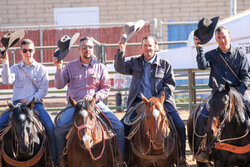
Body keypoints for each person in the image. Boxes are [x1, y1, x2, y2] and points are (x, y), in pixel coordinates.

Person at [114, 35, 187, 164]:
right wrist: (121, 50)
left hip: (161, 102)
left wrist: (160, 98)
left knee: (180, 126)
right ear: (142, 47)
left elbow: (170, 84)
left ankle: (181, 157)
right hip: (139, 103)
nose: (148, 48)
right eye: (145, 46)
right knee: (123, 127)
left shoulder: (165, 65)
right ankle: (125, 160)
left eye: (150, 45)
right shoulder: (135, 62)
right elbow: (120, 68)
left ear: (155, 46)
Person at [53, 36, 125, 166]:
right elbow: (59, 85)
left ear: (93, 49)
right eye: (84, 47)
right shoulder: (70, 66)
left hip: (95, 104)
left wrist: (94, 98)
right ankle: (60, 160)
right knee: (59, 128)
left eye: (90, 47)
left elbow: (106, 88)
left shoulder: (100, 67)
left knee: (119, 127)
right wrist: (58, 68)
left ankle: (119, 159)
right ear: (79, 49)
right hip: (75, 106)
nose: (87, 49)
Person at [193, 26, 250, 162]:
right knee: (202, 116)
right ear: (216, 40)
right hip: (218, 95)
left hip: (237, 93)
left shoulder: (240, 55)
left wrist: (240, 96)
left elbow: (246, 76)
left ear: (229, 37)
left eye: (224, 37)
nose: (222, 40)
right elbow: (202, 65)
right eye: (219, 38)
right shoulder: (212, 54)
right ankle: (203, 149)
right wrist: (199, 47)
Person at [0, 39, 57, 165]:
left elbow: (43, 91)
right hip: (16, 106)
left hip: (35, 105)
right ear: (21, 51)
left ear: (34, 51)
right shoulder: (15, 68)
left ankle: (54, 160)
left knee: (51, 129)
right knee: (0, 125)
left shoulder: (41, 69)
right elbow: (7, 80)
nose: (27, 53)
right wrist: (5, 63)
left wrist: (31, 99)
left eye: (30, 50)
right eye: (25, 50)